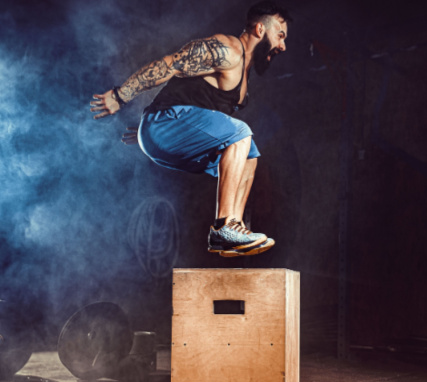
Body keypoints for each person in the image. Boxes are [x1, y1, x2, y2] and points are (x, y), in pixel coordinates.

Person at [90, 1, 291, 257]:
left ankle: (235, 230)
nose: (283, 46)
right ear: (261, 30)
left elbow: (206, 115)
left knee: (250, 155)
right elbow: (169, 65)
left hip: (170, 132)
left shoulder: (244, 77)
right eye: (280, 35)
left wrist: (163, 136)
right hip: (162, 123)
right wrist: (120, 96)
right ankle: (223, 227)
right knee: (242, 133)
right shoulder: (227, 50)